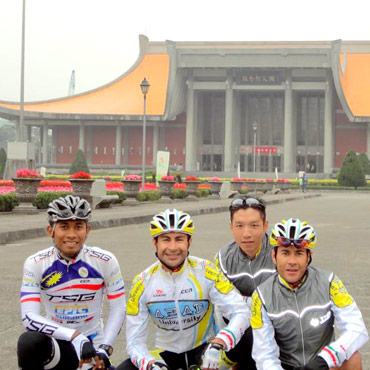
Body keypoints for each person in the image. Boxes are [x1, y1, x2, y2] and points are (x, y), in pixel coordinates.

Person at [116, 209, 250, 370]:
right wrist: (150, 364)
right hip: (166, 355)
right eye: (166, 240)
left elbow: (241, 311)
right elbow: (134, 342)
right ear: (155, 243)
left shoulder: (207, 271)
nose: (173, 248)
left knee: (250, 337)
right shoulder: (142, 282)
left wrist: (221, 341)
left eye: (179, 239)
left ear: (189, 242)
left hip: (207, 351)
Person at [17, 195, 126, 370]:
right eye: (64, 226)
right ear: (50, 230)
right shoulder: (36, 263)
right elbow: (29, 317)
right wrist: (75, 336)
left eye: (78, 227)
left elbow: (119, 308)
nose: (71, 235)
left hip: (93, 346)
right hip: (58, 345)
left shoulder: (105, 261)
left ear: (87, 230)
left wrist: (105, 347)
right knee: (29, 342)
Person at [251, 218, 369, 370]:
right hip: (286, 366)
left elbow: (357, 329)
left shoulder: (330, 283)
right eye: (285, 253)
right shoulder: (261, 295)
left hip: (322, 364)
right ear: (274, 256)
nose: (292, 261)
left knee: (352, 358)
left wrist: (326, 358)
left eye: (299, 253)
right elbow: (264, 354)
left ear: (309, 256)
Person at [214, 196, 276, 369]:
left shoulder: (280, 252)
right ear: (231, 227)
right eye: (239, 226)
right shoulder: (224, 258)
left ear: (265, 226)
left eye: (254, 225)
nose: (247, 233)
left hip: (277, 327)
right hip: (240, 327)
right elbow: (224, 305)